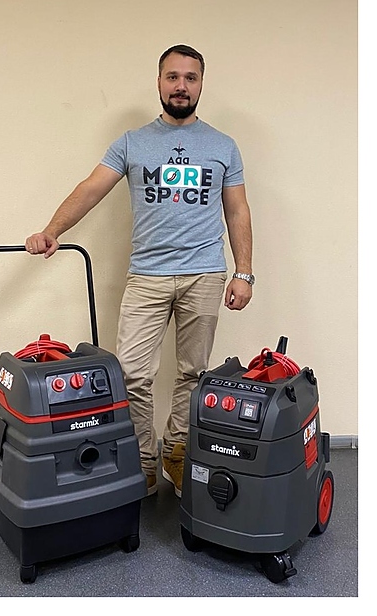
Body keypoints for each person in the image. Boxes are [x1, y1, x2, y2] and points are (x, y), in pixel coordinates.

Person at [25, 44, 254, 498]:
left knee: (193, 372)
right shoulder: (131, 143)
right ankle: (144, 460)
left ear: (201, 84)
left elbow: (238, 210)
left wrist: (243, 272)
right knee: (132, 374)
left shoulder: (223, 146)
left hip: (205, 273)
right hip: (147, 274)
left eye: (190, 78)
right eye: (173, 77)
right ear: (159, 82)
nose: (181, 86)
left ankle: (177, 452)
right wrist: (52, 230)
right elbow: (91, 189)